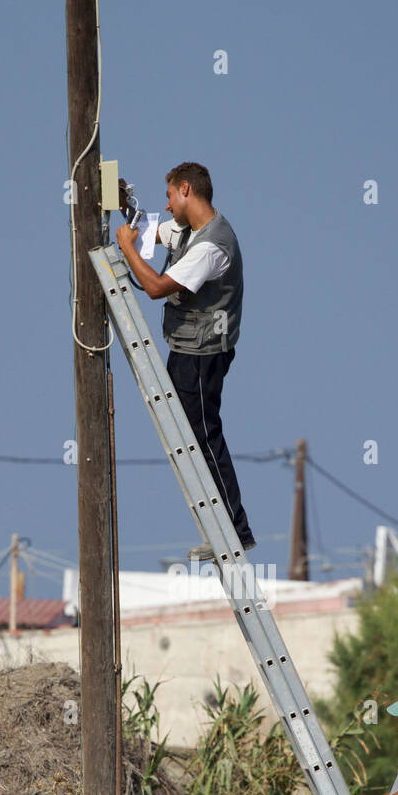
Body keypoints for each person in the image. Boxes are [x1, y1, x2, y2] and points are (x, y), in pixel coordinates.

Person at [115, 162, 255, 561]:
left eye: (170, 196)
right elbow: (149, 231)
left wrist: (126, 248)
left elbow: (157, 287)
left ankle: (235, 531)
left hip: (202, 354)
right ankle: (225, 528)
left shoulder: (212, 247)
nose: (167, 204)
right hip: (188, 347)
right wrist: (124, 206)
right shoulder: (187, 229)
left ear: (187, 190)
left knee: (204, 438)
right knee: (195, 437)